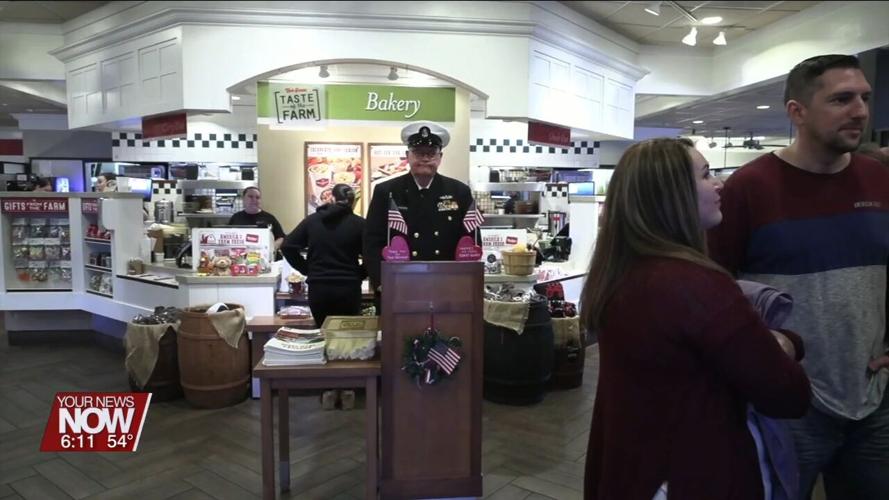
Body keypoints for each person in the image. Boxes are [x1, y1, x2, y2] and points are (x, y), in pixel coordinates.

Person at [581, 137, 811, 500]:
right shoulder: (697, 286)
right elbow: (788, 394)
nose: (719, 184)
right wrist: (787, 342)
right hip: (697, 472)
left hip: (641, 469)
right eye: (705, 175)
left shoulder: (619, 273)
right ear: (672, 195)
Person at [707, 54, 889, 500]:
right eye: (842, 99)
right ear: (797, 111)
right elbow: (715, 290)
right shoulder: (749, 188)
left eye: (865, 98)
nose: (860, 111)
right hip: (787, 404)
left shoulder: (878, 180)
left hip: (873, 401)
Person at [363, 121, 474, 309]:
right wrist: (381, 282)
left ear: (440, 157)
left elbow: (470, 239)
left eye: (430, 153)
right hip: (398, 285)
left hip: (445, 285)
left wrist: (464, 281)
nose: (425, 159)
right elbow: (371, 241)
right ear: (407, 156)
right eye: (418, 153)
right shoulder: (387, 191)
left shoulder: (458, 191)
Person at [282, 183, 366, 327]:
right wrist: (360, 273)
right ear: (352, 202)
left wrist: (307, 269)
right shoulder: (360, 224)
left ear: (332, 198)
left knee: (323, 332)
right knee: (346, 335)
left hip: (319, 287)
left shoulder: (312, 221)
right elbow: (372, 253)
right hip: (348, 287)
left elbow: (287, 246)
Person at [227, 186, 286, 251]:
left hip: (264, 254)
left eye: (257, 197)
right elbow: (227, 236)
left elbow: (281, 237)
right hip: (240, 254)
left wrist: (272, 248)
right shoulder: (236, 217)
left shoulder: (269, 218)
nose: (254, 200)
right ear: (243, 199)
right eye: (250, 196)